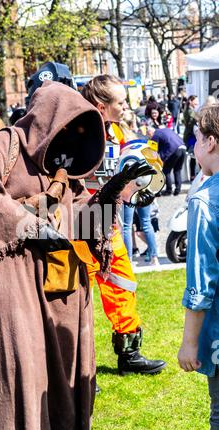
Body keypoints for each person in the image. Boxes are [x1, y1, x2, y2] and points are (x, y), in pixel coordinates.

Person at [0, 80, 153, 430]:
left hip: (56, 290)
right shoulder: (7, 143)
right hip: (8, 280)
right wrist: (30, 224)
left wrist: (115, 192)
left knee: (61, 381)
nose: (72, 135)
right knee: (20, 378)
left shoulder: (66, 166)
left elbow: (80, 224)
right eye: (66, 124)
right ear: (46, 120)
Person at [82, 75, 166, 375]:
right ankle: (78, 370)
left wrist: (138, 188)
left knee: (123, 284)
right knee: (77, 300)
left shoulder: (116, 131)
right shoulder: (76, 133)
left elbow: (124, 170)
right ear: (101, 105)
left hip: (109, 223)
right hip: (80, 224)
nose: (126, 106)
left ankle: (129, 355)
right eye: (120, 102)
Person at [178, 104, 219, 430]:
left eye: (195, 138)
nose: (193, 146)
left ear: (211, 142)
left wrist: (189, 342)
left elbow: (201, 281)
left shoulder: (204, 200)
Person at [148, 126, 186, 196]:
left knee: (166, 171)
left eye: (148, 134)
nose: (148, 136)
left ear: (150, 132)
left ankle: (169, 190)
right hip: (183, 147)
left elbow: (152, 150)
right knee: (177, 170)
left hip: (174, 150)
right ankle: (177, 190)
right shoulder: (165, 129)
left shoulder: (155, 135)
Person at [183, 95, 199, 181]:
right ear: (190, 101)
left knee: (194, 156)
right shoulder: (190, 111)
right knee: (193, 156)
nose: (197, 102)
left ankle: (194, 175)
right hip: (191, 137)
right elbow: (198, 118)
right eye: (196, 101)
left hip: (191, 136)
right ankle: (194, 175)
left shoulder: (189, 110)